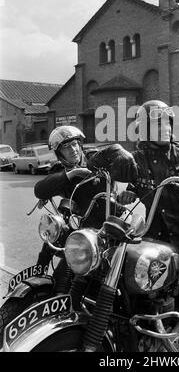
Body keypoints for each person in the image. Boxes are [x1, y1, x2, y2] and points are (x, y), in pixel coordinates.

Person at [88, 100, 179, 346]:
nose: (165, 127)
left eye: (167, 122)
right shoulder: (137, 160)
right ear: (143, 128)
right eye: (158, 123)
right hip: (160, 239)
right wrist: (130, 193)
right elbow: (136, 184)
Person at [34, 125, 118, 292]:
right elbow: (40, 189)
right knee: (52, 240)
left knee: (107, 276)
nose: (73, 150)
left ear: (80, 145)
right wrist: (71, 175)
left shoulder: (95, 161)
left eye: (75, 144)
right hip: (79, 228)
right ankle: (38, 277)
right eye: (66, 147)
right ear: (59, 154)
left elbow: (115, 159)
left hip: (105, 227)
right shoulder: (61, 170)